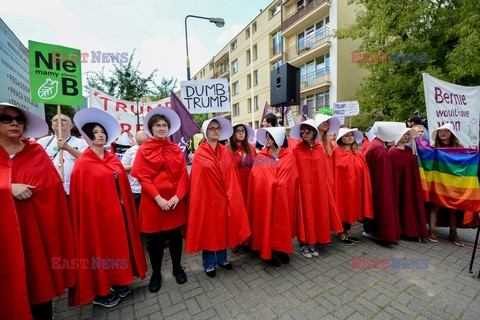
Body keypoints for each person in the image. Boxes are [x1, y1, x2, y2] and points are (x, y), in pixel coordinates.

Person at [0, 102, 75, 320]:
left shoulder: (36, 152)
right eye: (6, 118)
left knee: (40, 288)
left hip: (36, 237)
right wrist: (7, 189)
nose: (14, 122)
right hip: (5, 241)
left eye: (19, 119)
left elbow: (52, 191)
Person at [69, 108, 147, 308]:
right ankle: (101, 291)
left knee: (118, 250)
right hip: (96, 219)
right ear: (87, 136)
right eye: (95, 132)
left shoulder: (113, 159)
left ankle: (118, 282)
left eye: (102, 131)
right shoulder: (83, 164)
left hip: (118, 215)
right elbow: (83, 198)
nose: (100, 135)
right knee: (100, 251)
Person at [131, 108, 188, 293]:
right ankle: (156, 273)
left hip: (174, 203)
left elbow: (182, 176)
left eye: (164, 125)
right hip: (153, 203)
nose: (162, 128)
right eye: (158, 125)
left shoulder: (175, 149)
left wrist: (177, 197)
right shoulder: (143, 150)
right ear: (151, 128)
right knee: (154, 241)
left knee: (175, 239)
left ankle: (177, 267)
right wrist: (159, 199)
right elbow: (143, 178)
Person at [186, 117, 251, 278]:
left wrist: (231, 195)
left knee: (222, 229)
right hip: (207, 200)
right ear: (205, 132)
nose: (216, 131)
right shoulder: (200, 153)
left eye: (218, 128)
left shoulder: (225, 151)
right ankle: (208, 263)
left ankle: (222, 259)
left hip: (224, 197)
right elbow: (197, 180)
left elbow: (231, 176)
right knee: (209, 231)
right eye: (212, 128)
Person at [247, 126, 304, 266]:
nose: (266, 139)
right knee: (268, 223)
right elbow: (257, 176)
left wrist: (282, 183)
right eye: (266, 136)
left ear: (277, 139)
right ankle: (268, 252)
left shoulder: (288, 156)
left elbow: (293, 176)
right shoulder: (261, 157)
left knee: (283, 223)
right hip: (266, 197)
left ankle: (282, 249)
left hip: (284, 197)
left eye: (270, 137)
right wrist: (271, 183)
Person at [290, 119, 342, 257]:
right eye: (302, 130)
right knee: (304, 213)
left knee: (317, 212)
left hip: (318, 187)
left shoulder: (319, 148)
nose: (304, 133)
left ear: (314, 132)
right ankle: (303, 243)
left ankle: (312, 242)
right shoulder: (297, 148)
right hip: (303, 188)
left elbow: (323, 169)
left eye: (308, 130)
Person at [364, 122, 405, 242]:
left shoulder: (377, 145)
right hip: (378, 186)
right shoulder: (379, 148)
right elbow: (381, 174)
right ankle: (373, 231)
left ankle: (371, 230)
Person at [333, 128, 374, 244]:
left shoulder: (357, 153)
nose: (350, 137)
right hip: (342, 187)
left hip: (355, 186)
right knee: (343, 207)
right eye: (347, 135)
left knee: (352, 208)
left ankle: (348, 231)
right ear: (341, 138)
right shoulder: (337, 153)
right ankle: (341, 232)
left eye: (352, 135)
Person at [428, 123, 465, 246]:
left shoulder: (459, 147)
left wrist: (472, 151)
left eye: (446, 131)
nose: (443, 133)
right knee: (435, 207)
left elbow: (465, 162)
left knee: (453, 209)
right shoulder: (434, 148)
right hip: (438, 182)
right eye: (440, 131)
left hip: (453, 183)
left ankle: (453, 233)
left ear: (451, 134)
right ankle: (432, 231)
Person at [389, 128, 428, 240]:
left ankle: (410, 230)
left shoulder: (409, 150)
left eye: (407, 135)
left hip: (409, 185)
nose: (406, 136)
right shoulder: (392, 152)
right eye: (403, 134)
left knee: (409, 205)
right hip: (398, 185)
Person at [37, 113, 88, 195]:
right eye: (55, 120)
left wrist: (68, 148)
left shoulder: (81, 143)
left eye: (63, 120)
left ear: (71, 126)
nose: (59, 122)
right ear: (52, 126)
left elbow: (88, 160)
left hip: (73, 189)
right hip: (49, 188)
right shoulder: (43, 142)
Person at [228, 123, 257, 250]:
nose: (241, 133)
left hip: (250, 183)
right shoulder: (228, 149)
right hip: (236, 184)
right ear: (233, 134)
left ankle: (248, 238)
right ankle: (236, 239)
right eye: (238, 131)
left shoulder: (251, 147)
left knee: (249, 210)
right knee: (237, 212)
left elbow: (257, 166)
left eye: (243, 131)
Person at [122, 130, 149, 213]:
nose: (142, 146)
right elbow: (122, 166)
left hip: (150, 190)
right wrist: (132, 167)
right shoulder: (130, 151)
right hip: (135, 190)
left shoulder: (153, 150)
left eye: (145, 143)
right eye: (140, 144)